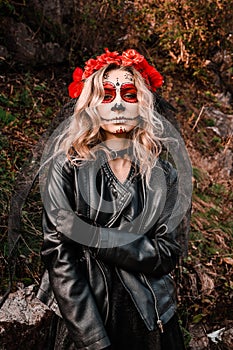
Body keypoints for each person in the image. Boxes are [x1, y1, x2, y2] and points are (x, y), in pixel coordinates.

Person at [37, 48, 192, 350]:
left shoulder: (165, 175)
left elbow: (166, 254)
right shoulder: (66, 167)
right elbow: (59, 257)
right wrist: (94, 340)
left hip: (150, 320)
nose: (118, 104)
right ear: (91, 105)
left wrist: (94, 237)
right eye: (107, 95)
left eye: (129, 94)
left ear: (142, 104)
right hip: (83, 317)